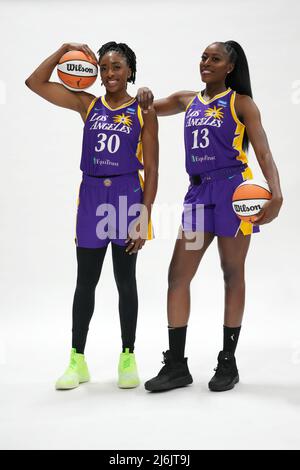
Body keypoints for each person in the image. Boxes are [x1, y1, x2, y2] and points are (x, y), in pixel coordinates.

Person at [137, 40, 283, 392]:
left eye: (215, 59)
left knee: (232, 273)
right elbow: (144, 108)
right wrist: (140, 93)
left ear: (230, 67)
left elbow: (262, 148)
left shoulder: (241, 103)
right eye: (203, 57)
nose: (206, 62)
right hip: (199, 193)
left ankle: (227, 362)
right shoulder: (188, 100)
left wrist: (275, 192)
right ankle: (176, 365)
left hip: (234, 194)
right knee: (177, 276)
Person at [25, 41, 158, 390]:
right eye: (103, 68)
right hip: (92, 195)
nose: (109, 74)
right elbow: (34, 83)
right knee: (86, 282)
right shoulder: (88, 105)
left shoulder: (144, 110)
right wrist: (62, 50)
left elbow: (155, 170)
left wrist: (143, 218)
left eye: (116, 67)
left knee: (125, 281)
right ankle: (77, 360)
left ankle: (127, 357)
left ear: (130, 70)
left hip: (127, 197)